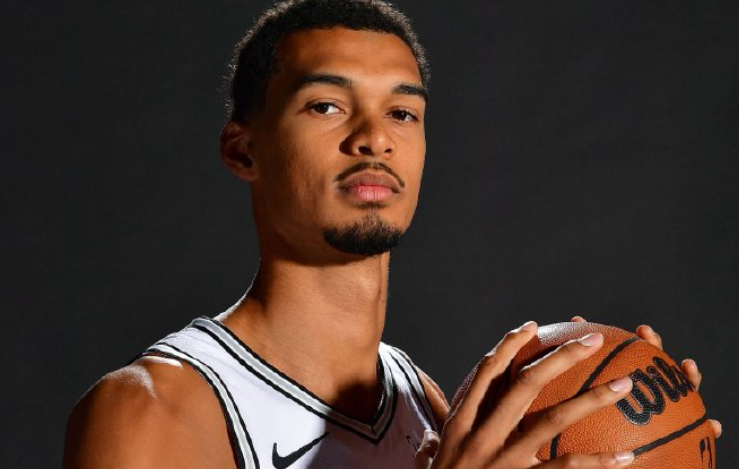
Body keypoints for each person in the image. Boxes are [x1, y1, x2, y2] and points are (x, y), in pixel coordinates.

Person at [63, 1, 720, 468]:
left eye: (402, 112)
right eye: (326, 105)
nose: (375, 137)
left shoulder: (426, 404)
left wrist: (621, 427)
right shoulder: (152, 411)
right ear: (244, 149)